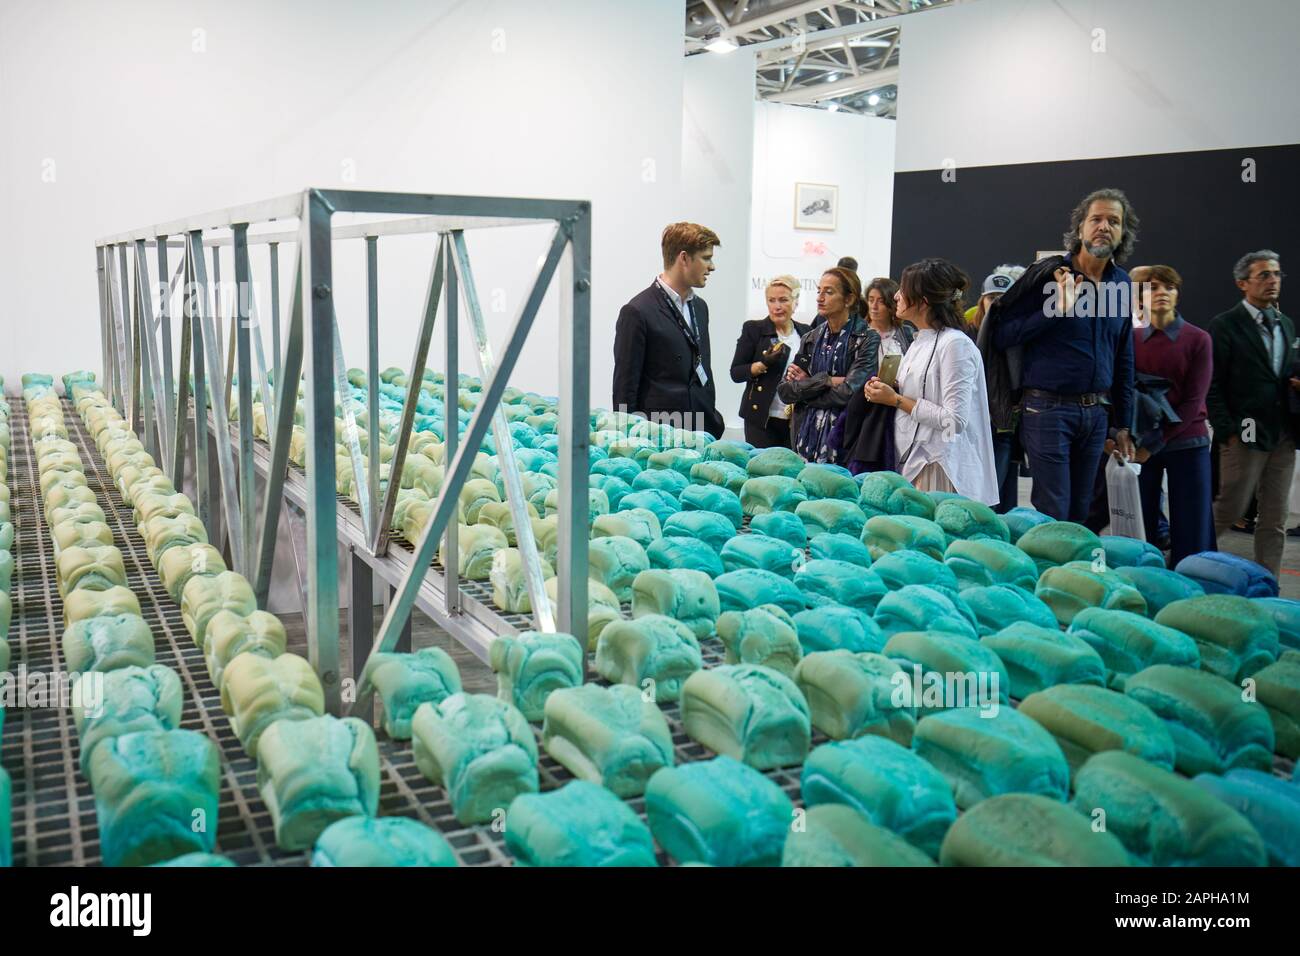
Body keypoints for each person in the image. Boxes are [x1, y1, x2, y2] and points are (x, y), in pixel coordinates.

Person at [984, 188, 1138, 522]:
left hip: (1097, 414)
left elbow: (1124, 356)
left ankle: (1072, 573)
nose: (1104, 226)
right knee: (1054, 510)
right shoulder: (1049, 276)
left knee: (1082, 511)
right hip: (1046, 409)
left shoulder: (1122, 284)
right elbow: (1002, 335)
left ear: (1123, 232)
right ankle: (1050, 573)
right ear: (1080, 227)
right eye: (1096, 218)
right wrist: (1056, 309)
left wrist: (1124, 424)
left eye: (1114, 221)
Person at [862, 258, 998, 501]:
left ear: (923, 301)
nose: (896, 297)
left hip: (941, 466)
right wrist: (887, 389)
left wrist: (895, 399)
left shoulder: (955, 344)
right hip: (914, 461)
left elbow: (954, 421)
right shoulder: (920, 340)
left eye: (903, 290)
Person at [1208, 250, 1295, 577]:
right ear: (1242, 283)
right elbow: (1212, 382)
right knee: (1230, 508)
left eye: (1276, 274)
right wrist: (1227, 429)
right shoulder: (1226, 325)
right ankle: (1188, 560)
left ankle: (1266, 582)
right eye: (1264, 275)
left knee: (1275, 517)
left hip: (1282, 434)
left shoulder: (1285, 323)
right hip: (1243, 432)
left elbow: (1278, 375)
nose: (1273, 281)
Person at [1129, 264, 1215, 566]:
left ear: (1177, 295)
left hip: (1187, 444)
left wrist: (1153, 443)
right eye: (1152, 286)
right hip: (1141, 447)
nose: (1162, 292)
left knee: (1192, 529)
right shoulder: (1131, 339)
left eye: (1169, 286)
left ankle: (1193, 590)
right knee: (1142, 527)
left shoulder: (1198, 339)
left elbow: (1194, 400)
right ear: (1141, 296)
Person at [612, 222, 726, 439]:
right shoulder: (637, 311)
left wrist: (712, 418)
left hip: (701, 432)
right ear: (684, 258)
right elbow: (625, 388)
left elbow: (703, 369)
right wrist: (627, 439)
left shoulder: (700, 308)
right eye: (706, 257)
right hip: (659, 438)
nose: (712, 266)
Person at [778, 268, 879, 464]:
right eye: (819, 291)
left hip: (846, 438)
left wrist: (806, 392)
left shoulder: (867, 338)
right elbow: (785, 391)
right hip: (804, 437)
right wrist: (826, 380)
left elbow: (849, 392)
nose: (820, 298)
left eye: (829, 292)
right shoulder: (810, 337)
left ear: (849, 299)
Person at [837, 277, 912, 473]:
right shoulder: (856, 334)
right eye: (871, 300)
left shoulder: (906, 334)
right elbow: (846, 373)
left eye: (881, 301)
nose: (875, 306)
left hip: (897, 408)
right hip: (860, 409)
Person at [729, 275, 812, 448]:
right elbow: (736, 373)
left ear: (796, 302)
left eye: (783, 300)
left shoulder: (807, 332)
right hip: (761, 419)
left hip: (795, 419)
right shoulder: (753, 329)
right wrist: (763, 364)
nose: (777, 306)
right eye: (771, 300)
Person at [969, 266, 1026, 512]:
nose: (996, 303)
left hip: (1004, 420)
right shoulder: (968, 330)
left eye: (1002, 298)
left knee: (1001, 484)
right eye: (992, 297)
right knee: (977, 484)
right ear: (982, 300)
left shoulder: (1018, 330)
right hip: (974, 420)